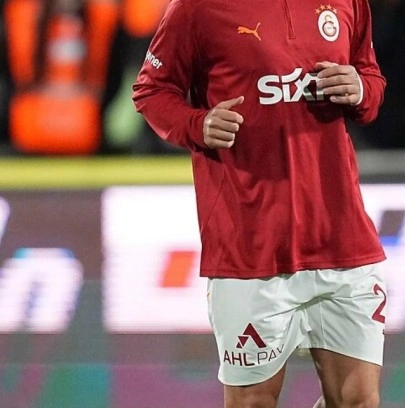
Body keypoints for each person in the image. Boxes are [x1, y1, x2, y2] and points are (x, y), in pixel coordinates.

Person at [132, 0, 388, 407]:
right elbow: (152, 90)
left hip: (341, 239)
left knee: (358, 400)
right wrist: (197, 124)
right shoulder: (196, 8)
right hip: (250, 248)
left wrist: (360, 88)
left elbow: (369, 77)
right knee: (253, 402)